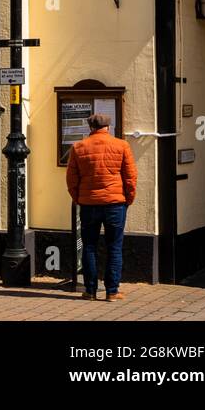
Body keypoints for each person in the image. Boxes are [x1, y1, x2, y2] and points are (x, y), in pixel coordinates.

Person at [66, 112, 137, 301]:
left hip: (89, 204)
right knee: (114, 246)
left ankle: (90, 290)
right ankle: (112, 291)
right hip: (115, 204)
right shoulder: (121, 145)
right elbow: (130, 177)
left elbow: (71, 179)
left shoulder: (78, 147)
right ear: (108, 127)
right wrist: (128, 199)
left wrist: (79, 198)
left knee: (89, 246)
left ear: (90, 127)